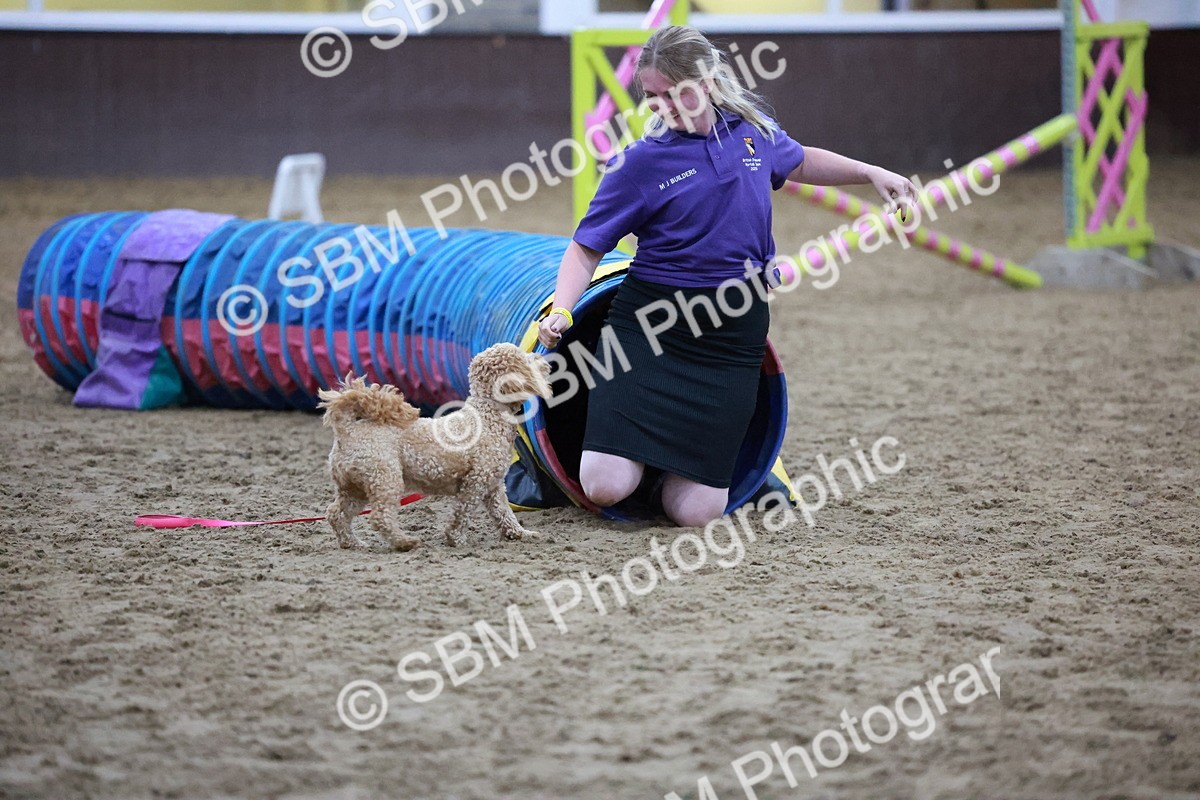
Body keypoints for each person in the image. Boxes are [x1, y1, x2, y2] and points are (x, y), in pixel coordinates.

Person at [537, 25, 917, 528]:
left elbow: (801, 161)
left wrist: (871, 173)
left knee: (697, 514)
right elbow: (585, 248)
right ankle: (623, 449)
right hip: (650, 328)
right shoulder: (638, 163)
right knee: (605, 487)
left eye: (675, 93)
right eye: (652, 96)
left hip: (732, 337)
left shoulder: (753, 133)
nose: (662, 106)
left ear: (709, 80)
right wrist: (563, 307)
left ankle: (658, 472)